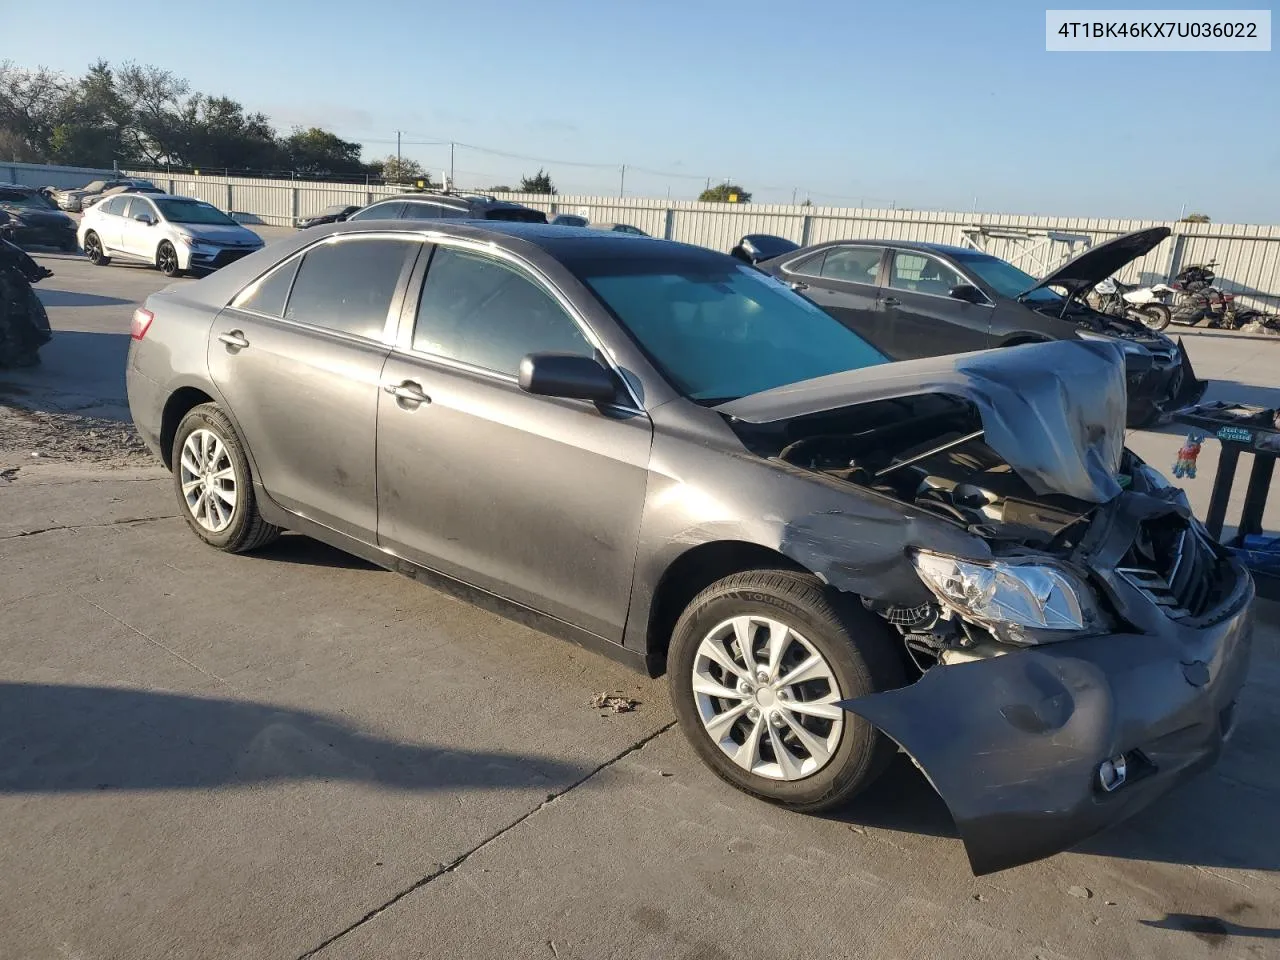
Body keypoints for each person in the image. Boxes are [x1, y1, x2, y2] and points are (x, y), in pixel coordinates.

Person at [0, 210, 53, 368]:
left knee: (16, 319)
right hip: (10, 293)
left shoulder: (7, 249)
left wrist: (36, 273)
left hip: (10, 293)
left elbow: (25, 263)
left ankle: (16, 353)